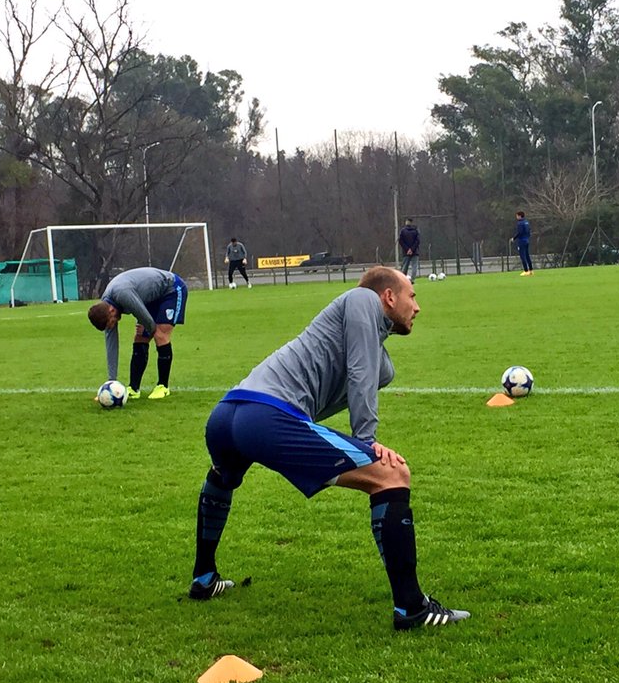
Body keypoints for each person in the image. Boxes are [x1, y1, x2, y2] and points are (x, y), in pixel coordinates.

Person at [188, 266, 469, 631]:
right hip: (265, 417)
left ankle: (204, 578)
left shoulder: (382, 362)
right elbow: (358, 373)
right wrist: (367, 442)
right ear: (388, 297)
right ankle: (412, 608)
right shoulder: (362, 299)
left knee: (223, 478)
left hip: (227, 414)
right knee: (392, 474)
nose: (417, 307)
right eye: (412, 295)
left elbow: (361, 374)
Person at [86, 267, 187, 400]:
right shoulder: (106, 305)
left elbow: (149, 323)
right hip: (151, 297)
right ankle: (134, 388)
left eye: (111, 322)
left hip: (171, 288)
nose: (113, 325)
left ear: (111, 310)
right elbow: (111, 346)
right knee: (140, 337)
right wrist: (111, 383)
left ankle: (163, 386)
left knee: (160, 334)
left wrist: (149, 327)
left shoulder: (123, 294)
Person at [513, 211, 533, 276]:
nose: (516, 217)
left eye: (517, 216)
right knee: (527, 256)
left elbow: (520, 232)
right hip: (527, 240)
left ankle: (526, 270)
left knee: (522, 256)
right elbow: (529, 231)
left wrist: (514, 238)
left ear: (519, 216)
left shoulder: (520, 223)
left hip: (521, 241)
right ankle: (531, 270)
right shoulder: (526, 222)